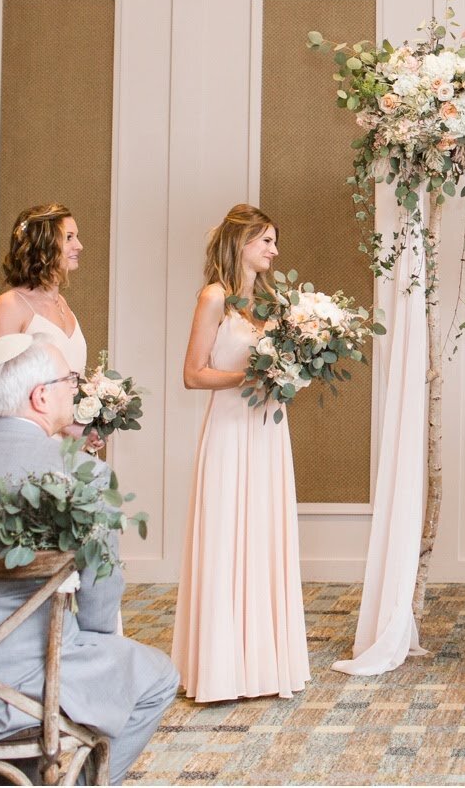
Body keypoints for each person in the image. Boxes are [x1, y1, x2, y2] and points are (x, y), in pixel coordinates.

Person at [0, 334, 178, 785]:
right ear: (40, 395)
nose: (77, 389)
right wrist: (96, 648)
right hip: (28, 690)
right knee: (159, 676)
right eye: (70, 380)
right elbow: (100, 598)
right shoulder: (82, 470)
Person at [170, 204, 310, 702]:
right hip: (231, 429)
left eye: (274, 241)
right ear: (242, 243)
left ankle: (264, 666)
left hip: (268, 432)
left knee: (263, 533)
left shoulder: (269, 299)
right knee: (229, 533)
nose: (274, 250)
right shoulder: (214, 298)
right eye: (266, 241)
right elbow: (193, 374)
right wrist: (252, 377)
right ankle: (222, 668)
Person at [0, 204, 92, 444]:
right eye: (69, 238)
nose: (79, 246)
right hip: (25, 442)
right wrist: (66, 426)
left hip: (68, 448)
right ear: (44, 246)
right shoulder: (10, 305)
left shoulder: (62, 303)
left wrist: (89, 421)